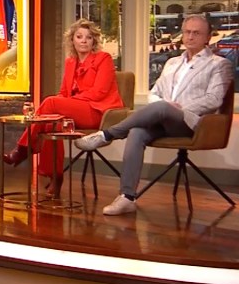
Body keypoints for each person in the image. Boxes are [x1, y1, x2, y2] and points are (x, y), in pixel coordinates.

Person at [75, 14, 234, 215]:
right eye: (187, 32)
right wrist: (164, 106)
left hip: (193, 124)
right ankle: (127, 197)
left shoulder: (218, 64)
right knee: (137, 131)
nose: (190, 36)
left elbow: (214, 99)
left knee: (163, 108)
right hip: (162, 119)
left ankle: (107, 134)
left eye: (196, 33)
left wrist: (178, 109)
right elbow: (154, 93)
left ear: (208, 37)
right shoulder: (172, 62)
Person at [2, 19, 124, 197]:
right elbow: (64, 93)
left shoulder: (103, 59)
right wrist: (65, 103)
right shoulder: (70, 62)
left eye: (88, 37)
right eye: (79, 36)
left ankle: (22, 149)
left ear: (94, 41)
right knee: (52, 123)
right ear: (72, 40)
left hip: (98, 112)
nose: (84, 41)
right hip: (75, 111)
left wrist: (67, 103)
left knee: (51, 103)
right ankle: (56, 177)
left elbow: (99, 92)